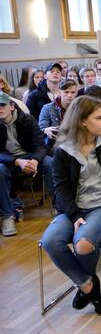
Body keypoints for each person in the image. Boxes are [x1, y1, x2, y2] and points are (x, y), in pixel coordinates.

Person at [41, 96, 101, 315]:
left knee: (83, 244)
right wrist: (74, 216)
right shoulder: (63, 150)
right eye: (99, 118)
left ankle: (89, 281)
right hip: (73, 209)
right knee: (51, 241)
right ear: (83, 121)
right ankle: (88, 284)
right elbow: (60, 189)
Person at [0, 94, 49, 236]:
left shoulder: (27, 119)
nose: (0, 109)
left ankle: (61, 210)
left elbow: (41, 146)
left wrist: (35, 160)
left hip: (29, 156)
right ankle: (7, 216)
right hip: (8, 160)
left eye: (2, 105)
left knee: (50, 163)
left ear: (12, 106)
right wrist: (16, 161)